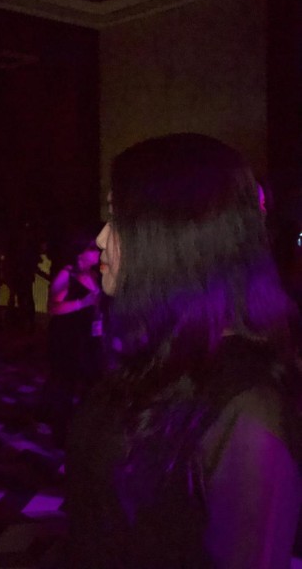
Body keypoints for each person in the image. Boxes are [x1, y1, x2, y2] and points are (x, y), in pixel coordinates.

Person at [67, 133, 302, 567]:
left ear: (173, 236)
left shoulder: (247, 407)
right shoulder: (155, 355)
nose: (100, 238)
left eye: (118, 219)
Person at [42, 229, 103, 447]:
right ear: (80, 253)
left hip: (87, 338)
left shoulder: (94, 275)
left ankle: (84, 430)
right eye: (93, 249)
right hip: (66, 338)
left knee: (90, 382)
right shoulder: (66, 274)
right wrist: (81, 304)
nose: (98, 253)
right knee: (64, 384)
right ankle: (59, 433)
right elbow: (53, 307)